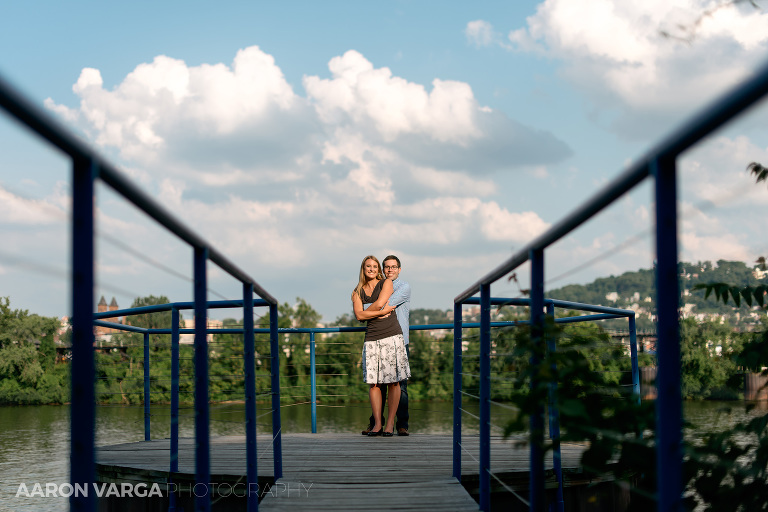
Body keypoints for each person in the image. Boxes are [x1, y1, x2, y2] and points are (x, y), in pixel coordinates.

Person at [352, 255, 410, 437]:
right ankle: (377, 423)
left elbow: (379, 303)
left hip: (392, 334)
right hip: (372, 337)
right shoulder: (356, 291)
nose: (372, 269)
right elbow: (363, 315)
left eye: (375, 266)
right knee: (374, 383)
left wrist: (364, 312)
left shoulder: (386, 283)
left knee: (394, 382)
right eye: (368, 266)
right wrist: (376, 312)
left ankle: (391, 424)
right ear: (363, 268)